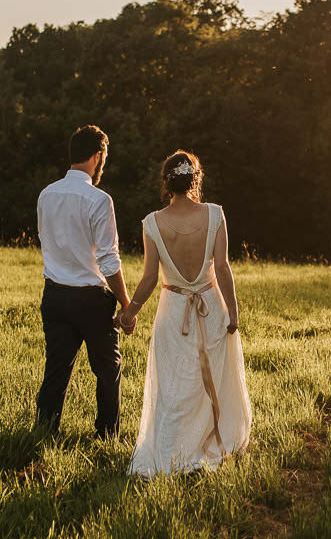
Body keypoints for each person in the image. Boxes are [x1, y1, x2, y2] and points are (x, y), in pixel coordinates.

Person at [118, 149, 251, 476]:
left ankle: (170, 452)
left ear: (166, 182)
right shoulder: (216, 214)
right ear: (196, 179)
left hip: (174, 313)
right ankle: (206, 446)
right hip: (212, 308)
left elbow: (150, 278)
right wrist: (233, 313)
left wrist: (129, 312)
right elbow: (222, 267)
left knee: (175, 386)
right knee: (210, 384)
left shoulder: (152, 223)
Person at [34, 125, 132, 439]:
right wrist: (127, 305)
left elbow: (46, 242)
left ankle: (44, 433)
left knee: (56, 371)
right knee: (107, 371)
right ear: (97, 156)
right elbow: (109, 260)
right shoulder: (99, 200)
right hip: (91, 300)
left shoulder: (46, 194)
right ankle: (106, 435)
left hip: (54, 296)